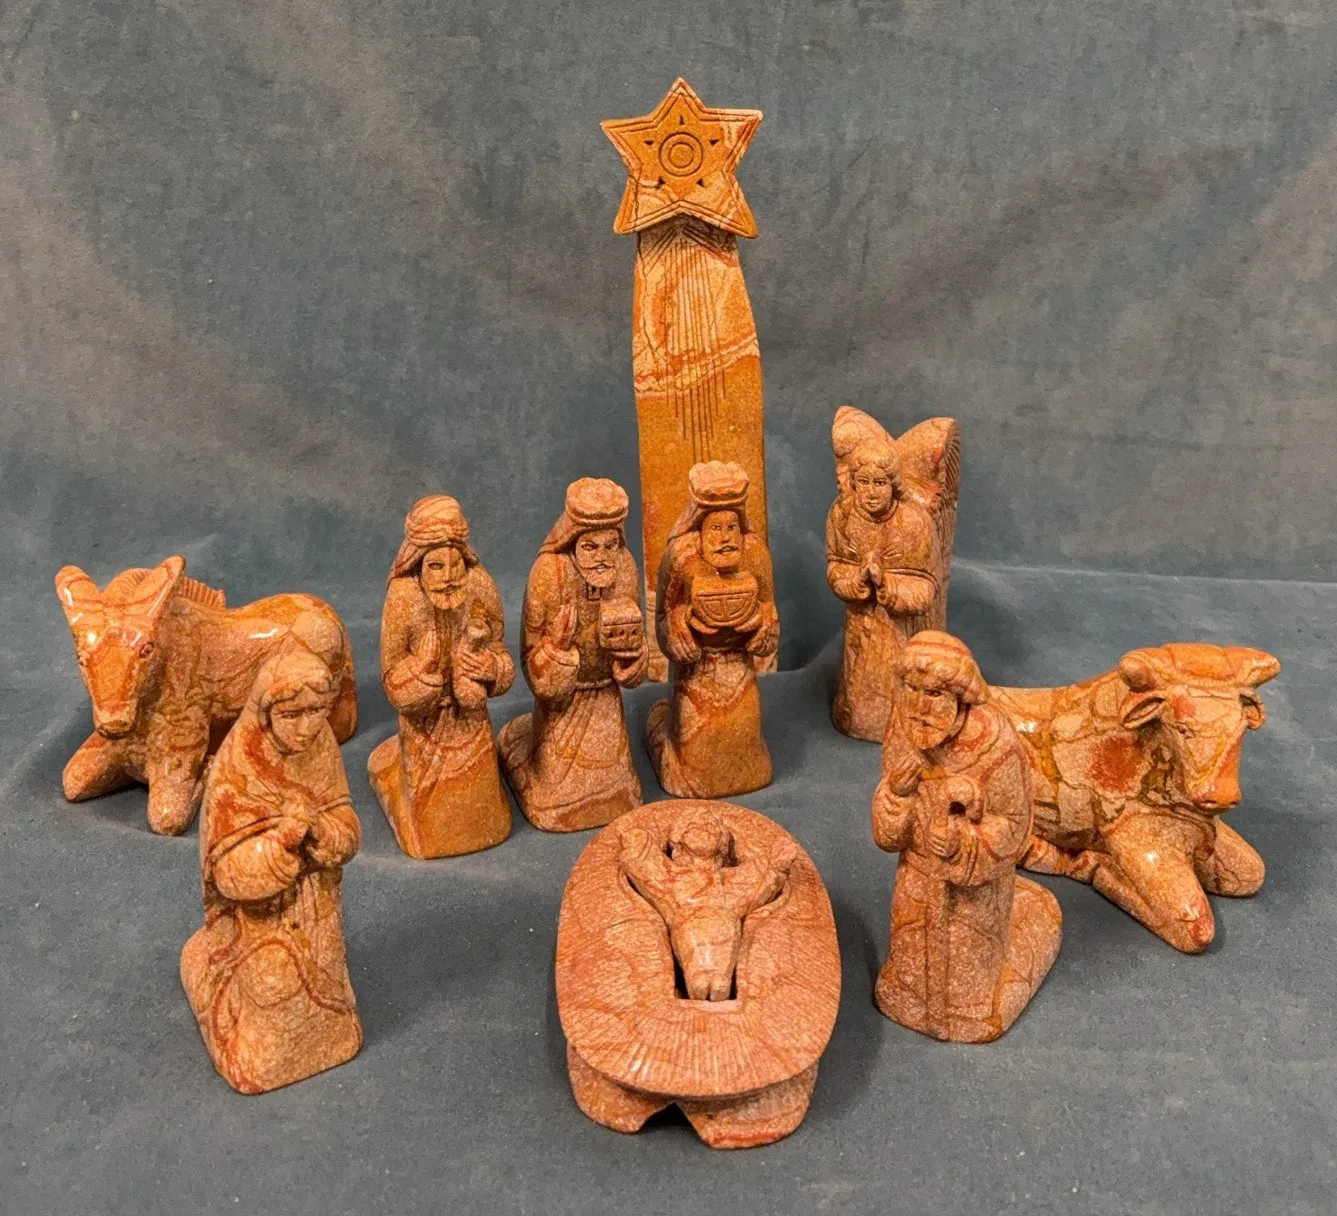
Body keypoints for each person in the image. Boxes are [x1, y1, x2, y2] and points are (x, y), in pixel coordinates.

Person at [180, 649, 362, 1093]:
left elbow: (346, 823)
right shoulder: (237, 765)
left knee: (327, 995)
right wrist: (279, 845)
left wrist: (322, 830)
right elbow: (225, 871)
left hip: (317, 905)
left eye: (317, 711)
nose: (307, 727)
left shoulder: (320, 745)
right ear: (266, 712)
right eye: (292, 715)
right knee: (275, 999)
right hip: (258, 920)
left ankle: (332, 1034)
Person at [871, 631, 1061, 1043]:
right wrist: (896, 796)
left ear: (960, 697)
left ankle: (972, 1005)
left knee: (967, 978)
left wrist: (963, 843)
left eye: (934, 694)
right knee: (909, 967)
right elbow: (888, 835)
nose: (920, 706)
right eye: (911, 689)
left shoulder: (995, 743)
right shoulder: (904, 728)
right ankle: (908, 993)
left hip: (975, 894)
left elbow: (1014, 823)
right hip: (916, 878)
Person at [368, 495, 515, 858]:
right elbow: (391, 676)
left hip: (472, 719)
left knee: (484, 814)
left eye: (455, 565)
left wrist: (491, 669)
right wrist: (423, 671)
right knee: (431, 825)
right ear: (418, 563)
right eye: (435, 566)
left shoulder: (480, 586)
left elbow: (501, 652)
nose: (448, 577)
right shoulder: (403, 598)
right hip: (423, 726)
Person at [498, 478, 649, 831]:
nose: (602, 557)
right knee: (556, 794)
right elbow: (530, 660)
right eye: (590, 546)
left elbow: (636, 648)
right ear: (572, 541)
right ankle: (527, 749)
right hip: (562, 704)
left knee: (619, 789)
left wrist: (632, 658)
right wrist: (557, 648)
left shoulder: (625, 568)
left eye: (611, 545)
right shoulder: (549, 574)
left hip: (606, 696)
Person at [644, 461, 779, 798]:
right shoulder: (681, 557)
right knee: (697, 757)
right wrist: (679, 627)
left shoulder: (755, 554)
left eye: (732, 526)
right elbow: (663, 615)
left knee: (744, 746)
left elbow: (769, 612)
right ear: (699, 529)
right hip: (696, 671)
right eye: (715, 527)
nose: (725, 537)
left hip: (739, 668)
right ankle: (667, 739)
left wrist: (762, 623)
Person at [827, 422, 942, 741]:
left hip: (899, 629)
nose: (871, 491)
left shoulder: (913, 523)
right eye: (863, 482)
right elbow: (834, 567)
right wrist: (856, 580)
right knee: (857, 690)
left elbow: (927, 588)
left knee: (895, 687)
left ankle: (897, 723)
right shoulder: (841, 515)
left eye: (880, 482)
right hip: (859, 626)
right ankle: (853, 716)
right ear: (853, 482)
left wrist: (886, 584)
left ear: (894, 484)